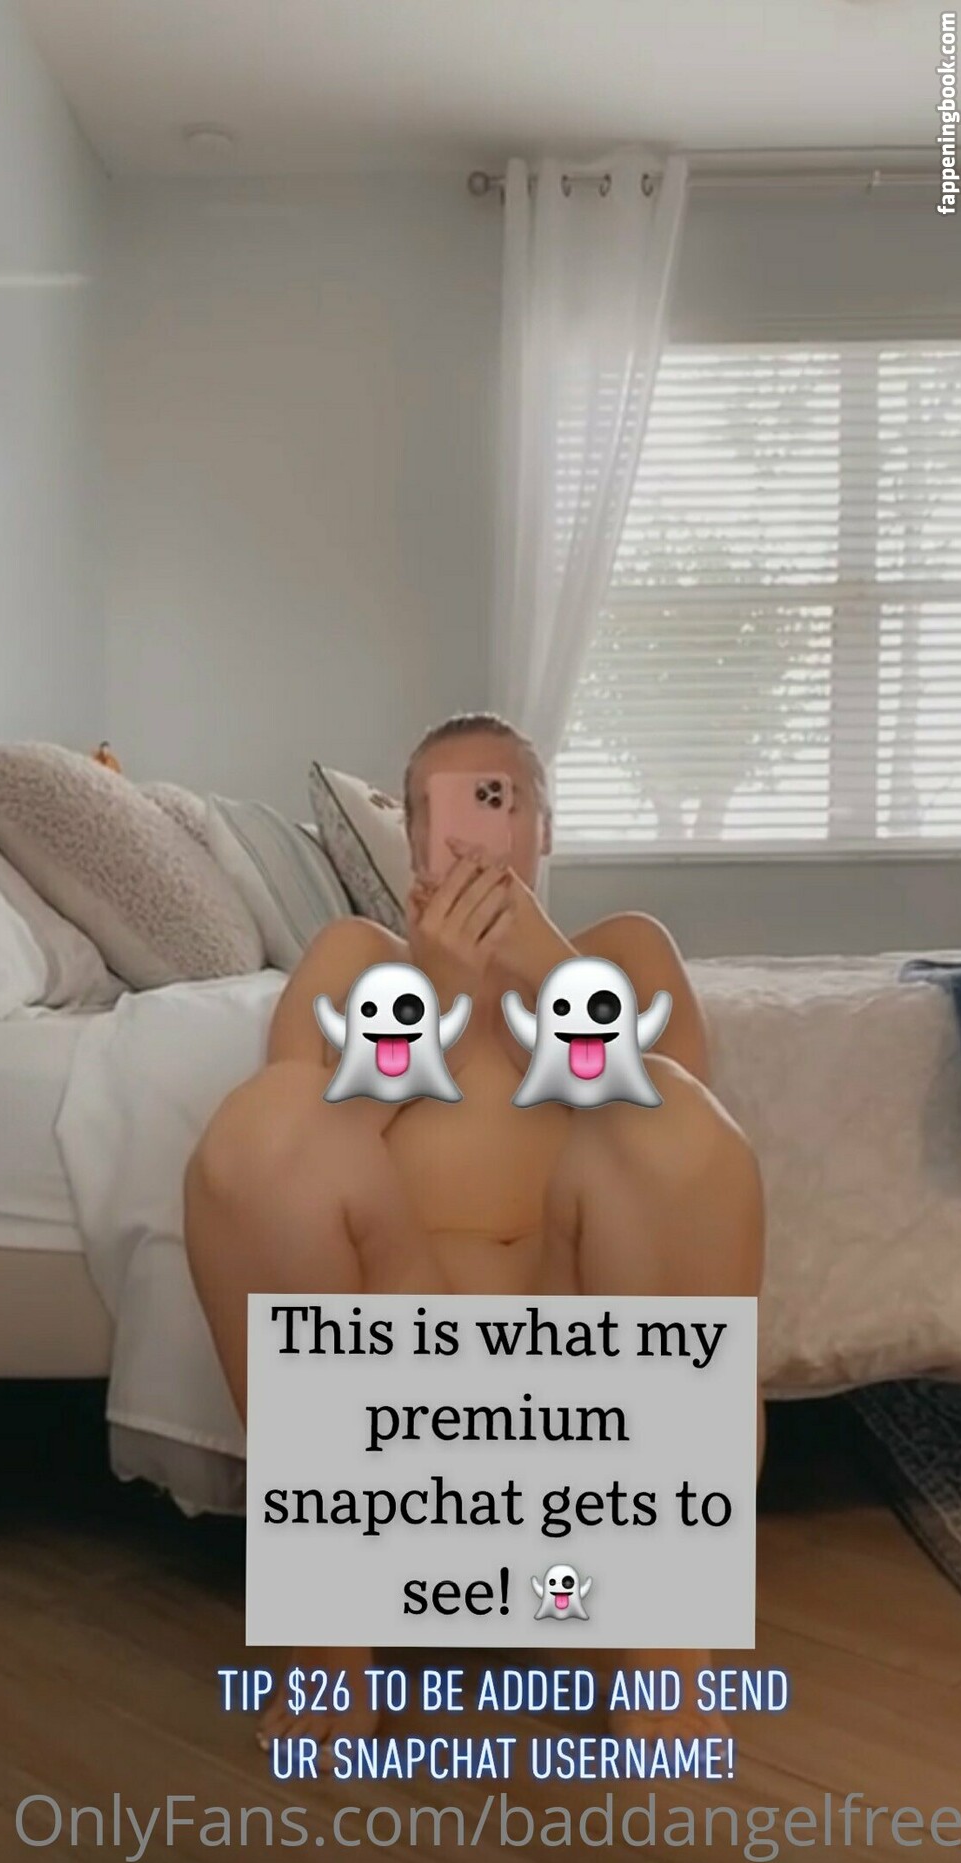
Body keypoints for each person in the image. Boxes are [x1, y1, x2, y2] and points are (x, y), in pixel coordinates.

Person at [184, 712, 764, 1751]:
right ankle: (331, 1644)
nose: (470, 834)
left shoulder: (622, 954)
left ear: (544, 829)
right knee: (262, 1122)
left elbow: (682, 1177)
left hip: (581, 1340)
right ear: (410, 841)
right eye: (441, 811)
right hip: (398, 1335)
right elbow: (286, 1172)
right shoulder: (355, 960)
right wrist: (437, 1005)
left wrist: (547, 972)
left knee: (672, 1111)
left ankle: (664, 1653)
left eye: (500, 801)